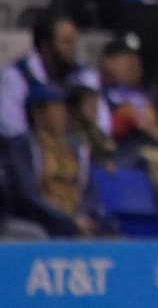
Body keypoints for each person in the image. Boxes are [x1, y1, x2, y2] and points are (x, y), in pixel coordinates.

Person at [5, 84, 103, 236]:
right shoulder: (23, 148)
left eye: (63, 107)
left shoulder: (78, 148)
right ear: (38, 113)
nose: (63, 113)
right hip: (42, 221)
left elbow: (89, 191)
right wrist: (67, 220)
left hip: (76, 218)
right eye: (56, 108)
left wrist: (82, 216)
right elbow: (28, 195)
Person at [0, 15, 100, 137]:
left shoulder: (85, 75)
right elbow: (11, 131)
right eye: (66, 42)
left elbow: (101, 126)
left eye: (74, 41)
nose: (73, 49)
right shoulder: (15, 76)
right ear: (45, 46)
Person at [98, 34, 158, 163]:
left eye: (137, 61)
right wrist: (131, 118)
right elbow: (102, 129)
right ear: (108, 62)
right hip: (122, 151)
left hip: (157, 149)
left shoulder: (149, 94)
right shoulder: (99, 90)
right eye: (128, 61)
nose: (135, 66)